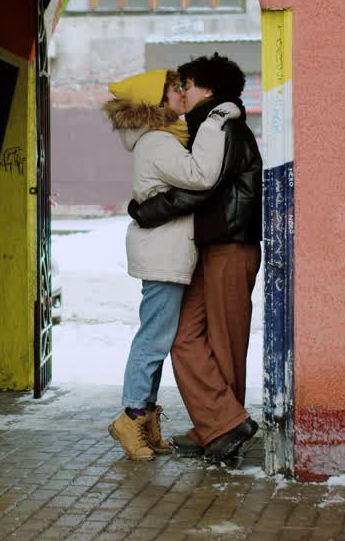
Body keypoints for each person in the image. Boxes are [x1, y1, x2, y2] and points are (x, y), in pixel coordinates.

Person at [128, 53, 263, 464]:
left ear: (207, 89)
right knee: (184, 336)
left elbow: (202, 189)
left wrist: (146, 210)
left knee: (225, 339)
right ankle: (218, 422)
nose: (182, 92)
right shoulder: (203, 128)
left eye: (186, 85)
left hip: (230, 244)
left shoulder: (223, 126)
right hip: (209, 245)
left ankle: (222, 428)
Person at [102, 68, 241, 461]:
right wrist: (214, 121)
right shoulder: (158, 142)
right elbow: (201, 175)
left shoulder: (161, 138)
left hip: (165, 250)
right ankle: (131, 416)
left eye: (182, 86)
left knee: (158, 339)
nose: (181, 92)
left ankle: (145, 417)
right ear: (157, 99)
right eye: (174, 88)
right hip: (163, 253)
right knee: (153, 339)